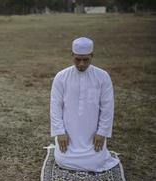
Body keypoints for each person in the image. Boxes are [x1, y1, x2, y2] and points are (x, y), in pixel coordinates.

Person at [50, 37, 120, 172]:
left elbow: (107, 107)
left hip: (92, 136)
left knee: (96, 161)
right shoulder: (61, 77)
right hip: (69, 135)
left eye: (86, 60)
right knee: (62, 161)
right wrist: (60, 132)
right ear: (72, 56)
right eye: (77, 59)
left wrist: (102, 132)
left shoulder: (102, 76)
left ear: (92, 56)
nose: (81, 64)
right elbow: (55, 107)